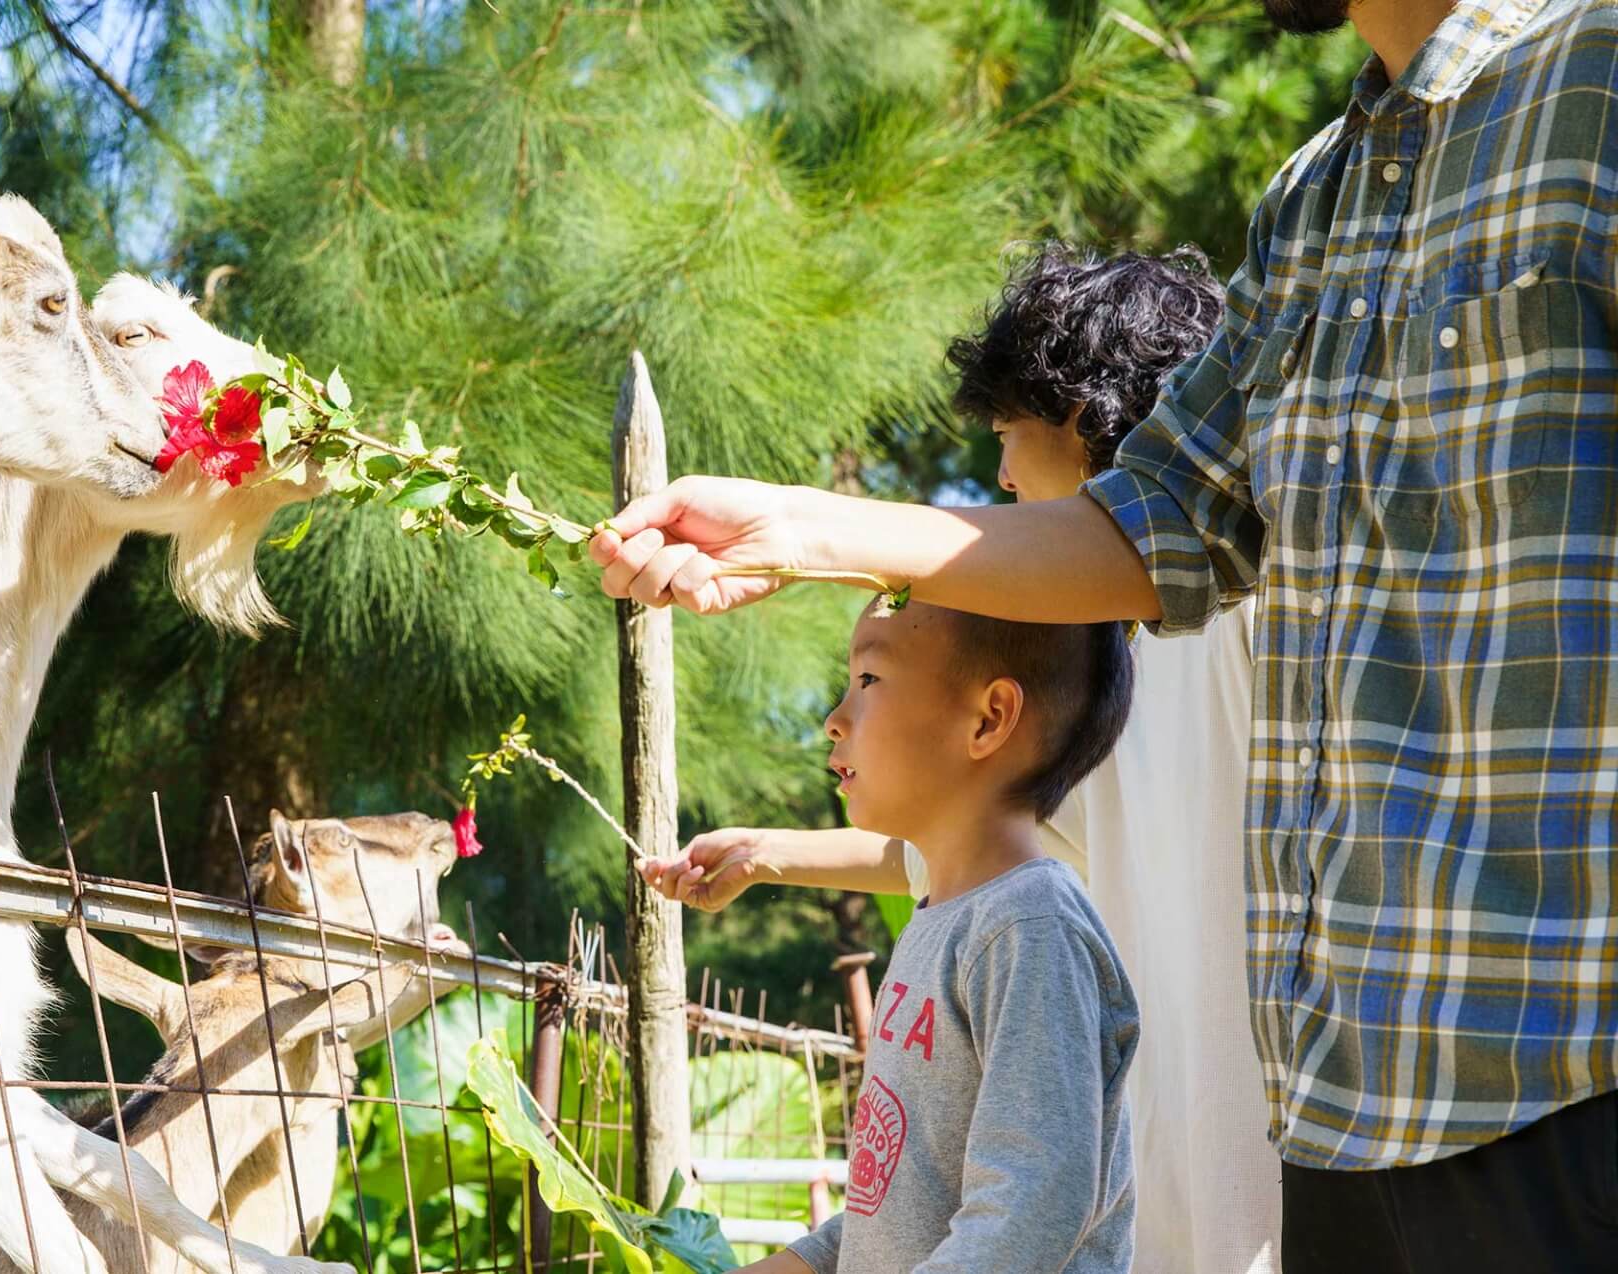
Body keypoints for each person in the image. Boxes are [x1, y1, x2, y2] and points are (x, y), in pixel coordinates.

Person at [594, 2, 1618, 1269]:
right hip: (1344, 1134)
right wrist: (799, 528)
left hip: (1566, 1096)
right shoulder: (1314, 200)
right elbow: (1159, 519)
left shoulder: (1597, 78)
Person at [645, 245, 1279, 1274]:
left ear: (1080, 417)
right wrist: (766, 852)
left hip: (1259, 1208)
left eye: (1005, 438)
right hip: (1153, 1216)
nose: (998, 478)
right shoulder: (1099, 677)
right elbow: (968, 845)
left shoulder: (1243, 625)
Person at [738, 595, 1137, 1274]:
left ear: (988, 719)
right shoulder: (945, 920)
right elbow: (899, 1204)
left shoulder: (1030, 929)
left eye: (867, 681)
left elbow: (1026, 1216)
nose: (834, 720)